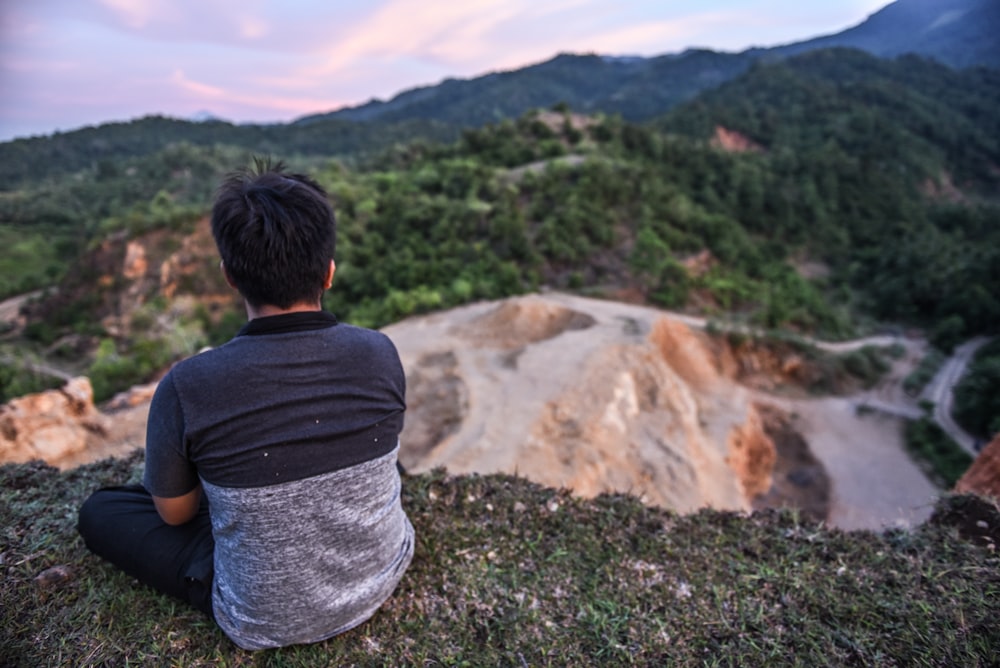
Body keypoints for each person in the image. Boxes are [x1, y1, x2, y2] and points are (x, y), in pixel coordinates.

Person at [77, 159, 414, 650]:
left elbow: (174, 516)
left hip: (263, 619)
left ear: (229, 276)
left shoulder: (189, 383)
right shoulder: (380, 351)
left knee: (102, 510)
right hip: (383, 573)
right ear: (329, 272)